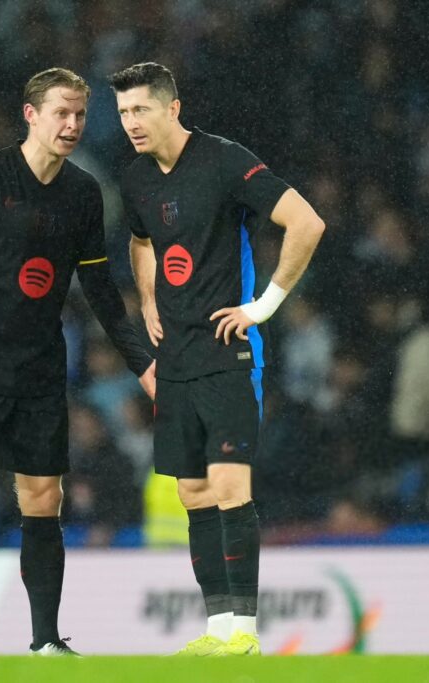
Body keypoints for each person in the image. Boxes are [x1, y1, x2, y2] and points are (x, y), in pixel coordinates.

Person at [0, 67, 155, 656]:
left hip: (41, 367)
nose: (72, 124)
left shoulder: (84, 193)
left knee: (44, 500)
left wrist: (142, 363)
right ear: (31, 115)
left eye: (80, 114)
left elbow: (99, 290)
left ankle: (45, 642)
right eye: (61, 113)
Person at [111, 62, 326, 656]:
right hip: (175, 355)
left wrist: (263, 307)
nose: (131, 123)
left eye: (141, 109)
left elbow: (307, 222)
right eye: (123, 112)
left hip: (228, 348)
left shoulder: (224, 161)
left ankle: (247, 634)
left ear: (172, 108)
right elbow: (140, 240)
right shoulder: (136, 179)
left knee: (230, 483)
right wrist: (147, 298)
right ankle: (218, 629)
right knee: (193, 493)